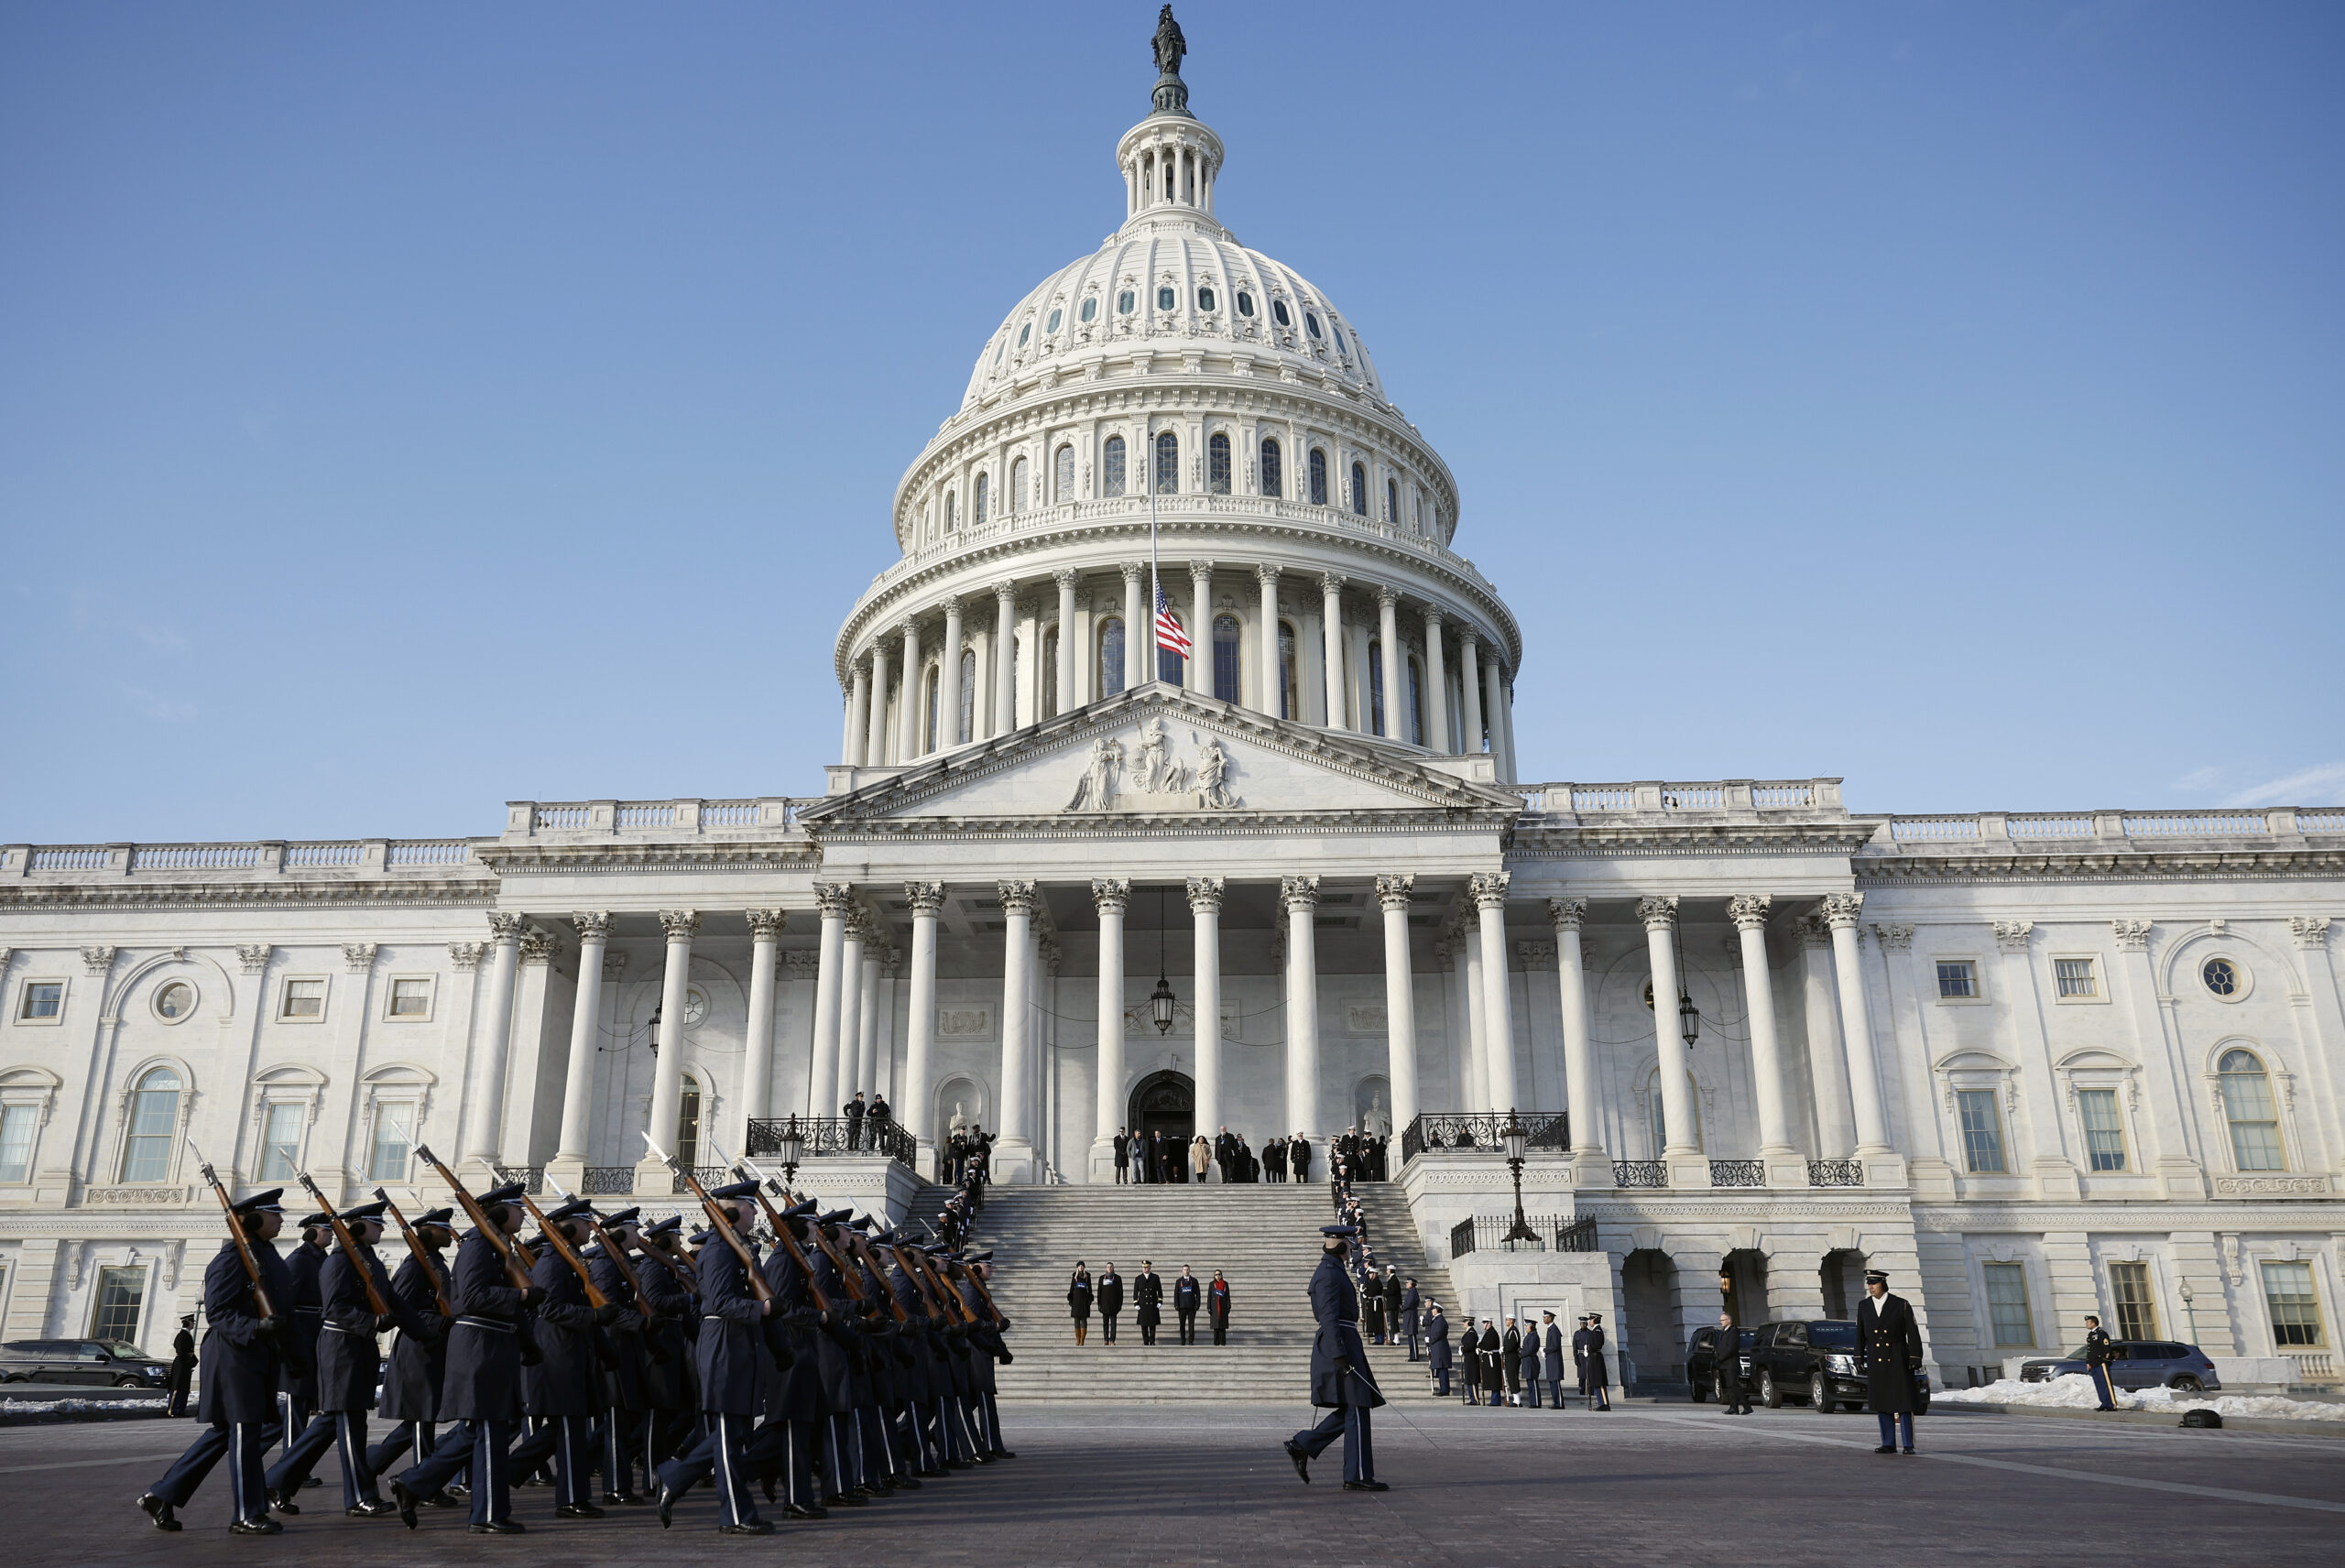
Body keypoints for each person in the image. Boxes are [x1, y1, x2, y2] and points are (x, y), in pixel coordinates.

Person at [388, 1181, 547, 1534]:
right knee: (489, 1431)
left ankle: (413, 1483)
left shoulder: (497, 1247)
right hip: (481, 1346)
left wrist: (528, 1341)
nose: (523, 1214)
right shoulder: (478, 1245)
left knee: (478, 1431)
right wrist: (521, 1297)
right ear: (501, 1212)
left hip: (495, 1344)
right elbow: (472, 1297)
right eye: (517, 1209)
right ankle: (488, 1514)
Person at [138, 1189, 296, 1534]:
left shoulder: (268, 1256)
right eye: (275, 1214)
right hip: (234, 1355)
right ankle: (246, 1513)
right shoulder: (231, 1259)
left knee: (227, 1432)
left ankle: (163, 1494)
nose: (282, 1219)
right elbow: (220, 1313)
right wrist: (256, 1325)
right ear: (254, 1220)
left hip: (257, 1355)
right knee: (245, 1433)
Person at [265, 1199, 429, 1518]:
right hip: (341, 1348)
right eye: (376, 1223)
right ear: (357, 1227)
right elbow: (335, 1307)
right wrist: (371, 1322)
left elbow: (393, 1300)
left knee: (330, 1423)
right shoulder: (339, 1261)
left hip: (358, 1347)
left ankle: (276, 1481)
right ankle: (359, 1496)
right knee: (352, 1426)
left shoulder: (367, 1260)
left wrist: (425, 1332)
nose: (382, 1227)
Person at [653, 1182, 780, 1534]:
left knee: (733, 1434)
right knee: (727, 1437)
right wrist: (764, 1307)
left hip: (736, 1345)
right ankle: (736, 1516)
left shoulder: (734, 1248)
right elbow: (719, 1303)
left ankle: (674, 1476)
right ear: (733, 1210)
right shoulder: (721, 1252)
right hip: (724, 1345)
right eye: (749, 1207)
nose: (754, 1212)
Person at [1281, 1225, 1386, 1491]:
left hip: (1343, 1342)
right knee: (1359, 1407)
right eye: (1350, 1245)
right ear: (1340, 1246)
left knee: (1353, 1408)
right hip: (1338, 1345)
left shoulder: (1332, 1270)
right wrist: (1340, 1354)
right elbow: (1328, 1317)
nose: (1353, 1250)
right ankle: (1358, 1475)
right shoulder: (1328, 1273)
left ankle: (1304, 1445)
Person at [1859, 1270, 1925, 1454]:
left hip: (1897, 1356)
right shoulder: (1864, 1306)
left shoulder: (1900, 1304)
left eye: (1874, 1283)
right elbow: (1860, 1334)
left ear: (1883, 1284)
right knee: (1882, 1402)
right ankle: (1888, 1442)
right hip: (1876, 1358)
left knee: (1904, 1403)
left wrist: (1915, 1357)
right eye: (1869, 1284)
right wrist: (1859, 1357)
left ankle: (1908, 1444)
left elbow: (1912, 1333)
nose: (1870, 1287)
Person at [1714, 1311, 1751, 1414]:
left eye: (1723, 1320)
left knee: (1734, 1385)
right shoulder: (1724, 1331)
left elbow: (1731, 1348)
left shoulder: (1734, 1331)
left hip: (1731, 1363)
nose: (1721, 1322)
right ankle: (1733, 1408)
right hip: (1724, 1364)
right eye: (1720, 1320)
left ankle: (1747, 1406)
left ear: (1729, 1320)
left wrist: (1721, 1358)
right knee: (1730, 1387)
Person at [2083, 1314, 2119, 1410]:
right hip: (2094, 1363)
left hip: (2101, 1363)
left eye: (2088, 1322)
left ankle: (2112, 1404)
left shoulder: (2101, 1333)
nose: (2086, 1324)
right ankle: (2104, 1403)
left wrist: (2104, 1360)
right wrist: (2088, 1362)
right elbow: (2090, 1350)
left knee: (2105, 1383)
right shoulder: (2091, 1335)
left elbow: (2106, 1348)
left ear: (2093, 1323)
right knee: (2099, 1384)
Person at [166, 1313, 198, 1418]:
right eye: (192, 1322)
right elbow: (180, 1351)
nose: (193, 1324)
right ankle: (173, 1409)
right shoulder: (182, 1335)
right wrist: (190, 1360)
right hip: (181, 1364)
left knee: (184, 1387)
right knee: (177, 1387)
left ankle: (180, 1409)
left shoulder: (187, 1334)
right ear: (188, 1323)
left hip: (185, 1365)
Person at [1578, 1313, 1612, 1410]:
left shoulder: (1597, 1331)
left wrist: (1587, 1348)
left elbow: (1596, 1345)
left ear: (1595, 1320)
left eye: (1591, 1320)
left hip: (1596, 1358)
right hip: (1593, 1358)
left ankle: (1605, 1404)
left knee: (1599, 1382)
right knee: (1596, 1382)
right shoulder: (1594, 1331)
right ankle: (1601, 1403)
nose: (1589, 1322)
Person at [1425, 1302, 1453, 1397]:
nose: (1432, 1311)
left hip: (1441, 1348)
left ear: (1437, 1310)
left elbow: (1438, 1333)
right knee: (1441, 1369)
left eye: (1433, 1309)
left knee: (1442, 1370)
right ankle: (1443, 1389)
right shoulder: (1437, 1319)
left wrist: (1430, 1340)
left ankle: (1444, 1390)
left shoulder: (1440, 1320)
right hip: (1438, 1347)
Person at [1133, 1262, 1163, 1346]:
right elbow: (1135, 1292)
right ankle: (1145, 1341)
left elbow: (1159, 1290)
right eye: (1143, 1267)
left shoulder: (1155, 1277)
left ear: (1149, 1268)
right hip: (1143, 1304)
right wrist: (1136, 1303)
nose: (1145, 1269)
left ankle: (1152, 1341)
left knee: (1152, 1324)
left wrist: (1160, 1301)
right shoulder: (1138, 1278)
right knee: (1144, 1324)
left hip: (1153, 1303)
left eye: (1146, 1267)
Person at [1541, 1312, 1566, 1410]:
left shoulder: (1554, 1330)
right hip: (1551, 1359)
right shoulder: (1550, 1329)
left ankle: (1559, 1403)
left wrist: (1545, 1350)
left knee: (1555, 1382)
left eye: (1545, 1317)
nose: (1544, 1319)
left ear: (1550, 1318)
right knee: (1552, 1382)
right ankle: (1556, 1402)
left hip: (1555, 1360)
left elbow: (1555, 1346)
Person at [1478, 1320, 1504, 1410]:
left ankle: (1496, 1400)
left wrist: (1480, 1346)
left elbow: (1488, 1345)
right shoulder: (1489, 1332)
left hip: (1492, 1359)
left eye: (1484, 1323)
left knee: (1494, 1380)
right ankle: (1494, 1400)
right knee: (1492, 1380)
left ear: (1489, 1323)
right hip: (1489, 1359)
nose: (1483, 1325)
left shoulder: (1492, 1333)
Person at [1517, 1317, 1543, 1409]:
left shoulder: (1534, 1336)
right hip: (1527, 1361)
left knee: (1533, 1383)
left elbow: (1530, 1349)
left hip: (1531, 1361)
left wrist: (1521, 1354)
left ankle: (1536, 1402)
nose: (1525, 1327)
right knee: (1530, 1383)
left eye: (1527, 1325)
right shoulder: (1529, 1335)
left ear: (1531, 1326)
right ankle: (1533, 1401)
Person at [1096, 1263, 1124, 1345]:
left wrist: (1120, 1305)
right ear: (1106, 1268)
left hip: (1114, 1306)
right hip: (1104, 1305)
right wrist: (1099, 1304)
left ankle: (1112, 1340)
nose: (1110, 1268)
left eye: (1111, 1267)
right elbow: (1099, 1292)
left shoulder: (1118, 1278)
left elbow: (1120, 1292)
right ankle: (1106, 1339)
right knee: (1105, 1324)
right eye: (1108, 1267)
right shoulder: (1102, 1278)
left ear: (1113, 1268)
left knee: (1113, 1324)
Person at [1172, 1267, 1202, 1345]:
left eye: (1187, 1270)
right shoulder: (1178, 1281)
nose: (1186, 1271)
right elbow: (1176, 1294)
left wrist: (1197, 1304)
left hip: (1192, 1307)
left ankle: (1191, 1341)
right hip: (1182, 1307)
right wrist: (1176, 1304)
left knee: (1191, 1325)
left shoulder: (1194, 1281)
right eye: (1184, 1270)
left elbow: (1198, 1294)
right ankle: (1183, 1340)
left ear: (1189, 1270)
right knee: (1182, 1325)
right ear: (1182, 1271)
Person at [1067, 1263, 1093, 1346]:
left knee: (1084, 1320)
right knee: (1076, 1321)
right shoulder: (1075, 1275)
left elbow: (1090, 1289)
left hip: (1084, 1301)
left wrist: (1089, 1300)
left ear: (1084, 1267)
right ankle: (1077, 1339)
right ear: (1077, 1267)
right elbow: (1071, 1288)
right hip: (1076, 1301)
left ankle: (1082, 1339)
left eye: (1082, 1266)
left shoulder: (1087, 1276)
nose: (1081, 1267)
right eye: (1079, 1266)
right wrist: (1070, 1300)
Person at [1500, 1317, 1522, 1406]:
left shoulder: (1513, 1331)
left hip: (1513, 1358)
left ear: (1512, 1321)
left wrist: (1504, 1349)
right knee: (1511, 1378)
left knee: (1513, 1378)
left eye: (1507, 1319)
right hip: (1509, 1357)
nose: (1506, 1321)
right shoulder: (1510, 1331)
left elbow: (1512, 1345)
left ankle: (1517, 1401)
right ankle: (1516, 1399)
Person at [1207, 1270, 1232, 1346]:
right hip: (1214, 1308)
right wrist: (1209, 1307)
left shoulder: (1225, 1284)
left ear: (1221, 1275)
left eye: (1219, 1274)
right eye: (1216, 1275)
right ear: (1214, 1276)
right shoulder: (1212, 1284)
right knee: (1216, 1326)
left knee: (1222, 1326)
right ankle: (1216, 1342)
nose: (1218, 1276)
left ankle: (1223, 1342)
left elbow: (1228, 1296)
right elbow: (1209, 1296)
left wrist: (1228, 1306)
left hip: (1223, 1307)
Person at [1400, 1278, 1422, 1361]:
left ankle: (1414, 1356)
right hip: (1409, 1315)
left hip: (1411, 1316)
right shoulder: (1411, 1292)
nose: (1406, 1284)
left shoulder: (1413, 1292)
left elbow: (1409, 1303)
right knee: (1410, 1336)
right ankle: (1412, 1355)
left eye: (1408, 1283)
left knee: (1412, 1336)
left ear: (1411, 1283)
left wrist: (1402, 1308)